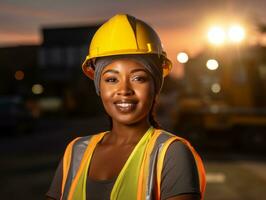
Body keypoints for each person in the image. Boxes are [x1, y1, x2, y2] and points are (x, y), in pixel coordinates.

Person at [46, 14, 206, 200]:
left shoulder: (171, 154)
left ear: (155, 85)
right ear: (99, 87)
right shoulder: (75, 152)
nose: (124, 90)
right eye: (111, 79)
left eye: (138, 78)